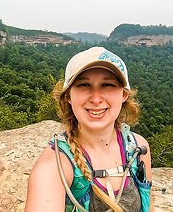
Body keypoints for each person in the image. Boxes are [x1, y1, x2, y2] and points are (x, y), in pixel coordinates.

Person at [25, 46, 154, 212]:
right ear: (68, 96)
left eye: (107, 85)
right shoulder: (54, 166)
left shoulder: (137, 149)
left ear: (124, 95)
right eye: (84, 84)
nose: (95, 98)